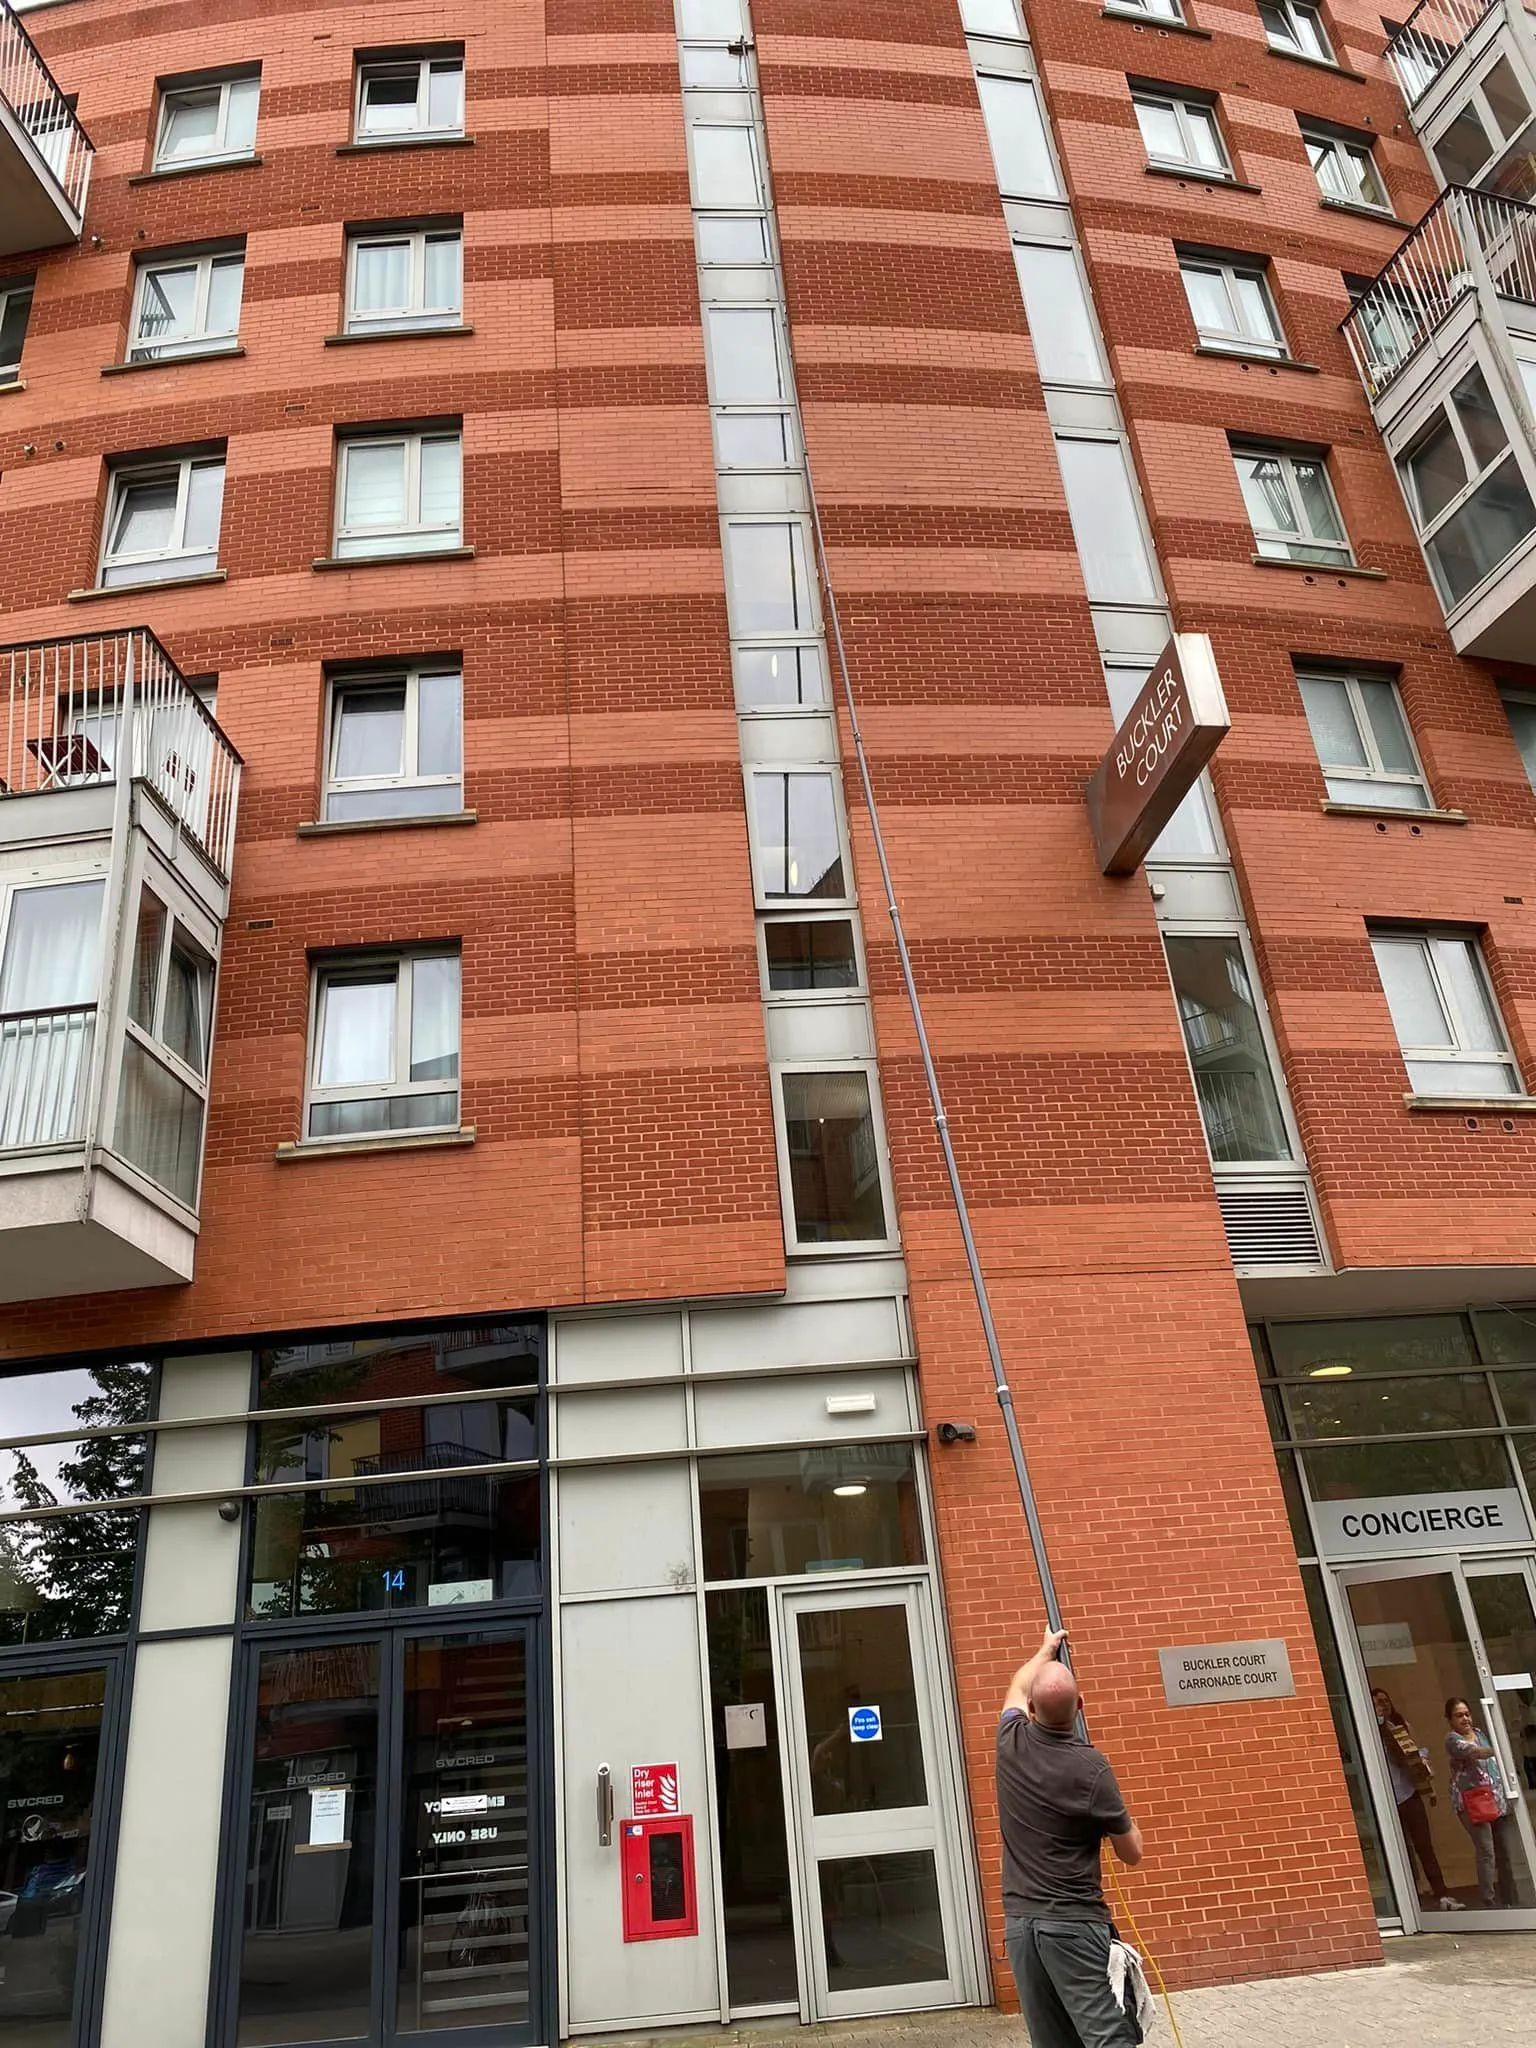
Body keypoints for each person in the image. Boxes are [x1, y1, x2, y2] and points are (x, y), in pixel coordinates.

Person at [997, 1626, 1144, 2048]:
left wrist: (1045, 1649)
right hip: (1073, 1926)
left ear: (1029, 1708)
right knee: (1108, 2037)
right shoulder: (1092, 1769)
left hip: (1021, 1928)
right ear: (1080, 1706)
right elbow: (1131, 1853)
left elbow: (1017, 1683)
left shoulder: (1010, 1742)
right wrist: (1122, 1820)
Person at [1371, 1688, 1462, 1912]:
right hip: (1387, 1798)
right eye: (1377, 1703)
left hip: (1408, 1793)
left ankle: (1442, 1894)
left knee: (1424, 1845)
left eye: (1385, 1701)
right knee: (1401, 1848)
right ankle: (1411, 1896)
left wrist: (1427, 1787)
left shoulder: (1401, 1726)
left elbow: (1414, 1759)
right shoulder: (1369, 1731)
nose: (1383, 1706)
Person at [1444, 1697, 1519, 1908]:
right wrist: (1501, 1747)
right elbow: (1474, 1752)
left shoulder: (1481, 1734)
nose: (1465, 1718)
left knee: (1504, 1851)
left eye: (1467, 1714)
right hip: (1472, 1803)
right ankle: (1489, 1902)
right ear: (1450, 1719)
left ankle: (1511, 1900)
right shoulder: (1452, 1739)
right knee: (1487, 1851)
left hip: (1495, 1799)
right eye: (1459, 1715)